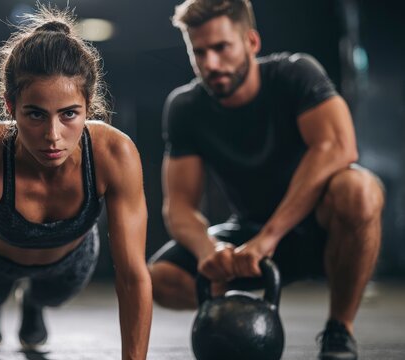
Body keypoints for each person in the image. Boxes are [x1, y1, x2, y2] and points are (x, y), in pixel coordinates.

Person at [147, 1, 384, 359]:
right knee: (160, 279)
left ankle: (340, 329)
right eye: (199, 52)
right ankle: (237, 315)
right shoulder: (185, 107)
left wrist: (269, 237)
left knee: (360, 190)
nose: (210, 63)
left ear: (251, 42)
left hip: (319, 229)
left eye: (221, 47)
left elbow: (339, 148)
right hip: (250, 234)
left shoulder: (295, 74)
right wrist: (209, 251)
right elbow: (179, 207)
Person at [0, 6, 151, 360]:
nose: (53, 136)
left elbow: (133, 277)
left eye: (69, 113)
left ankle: (33, 304)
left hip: (69, 260)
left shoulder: (115, 153)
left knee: (51, 294)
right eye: (36, 114)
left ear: (88, 106)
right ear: (10, 106)